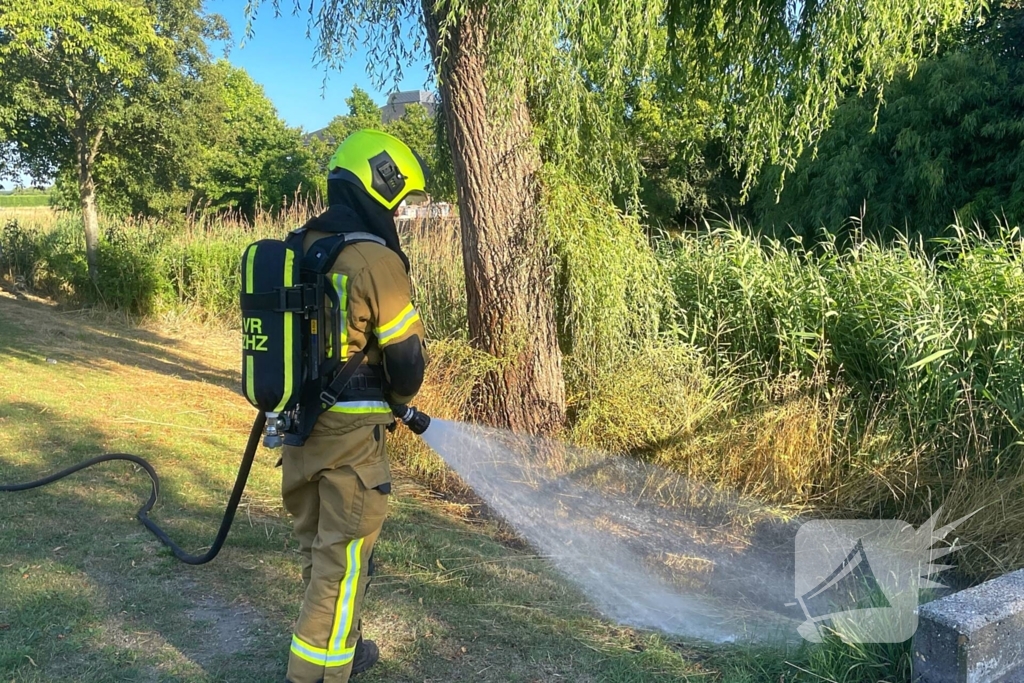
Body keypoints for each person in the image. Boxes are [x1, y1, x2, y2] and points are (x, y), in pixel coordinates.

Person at [282, 129, 429, 683]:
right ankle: (316, 674)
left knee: (322, 560)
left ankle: (344, 643)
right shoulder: (372, 258)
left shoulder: (299, 246)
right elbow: (408, 361)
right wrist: (399, 402)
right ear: (380, 188)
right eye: (401, 201)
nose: (400, 212)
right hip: (348, 442)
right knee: (342, 568)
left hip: (298, 433)